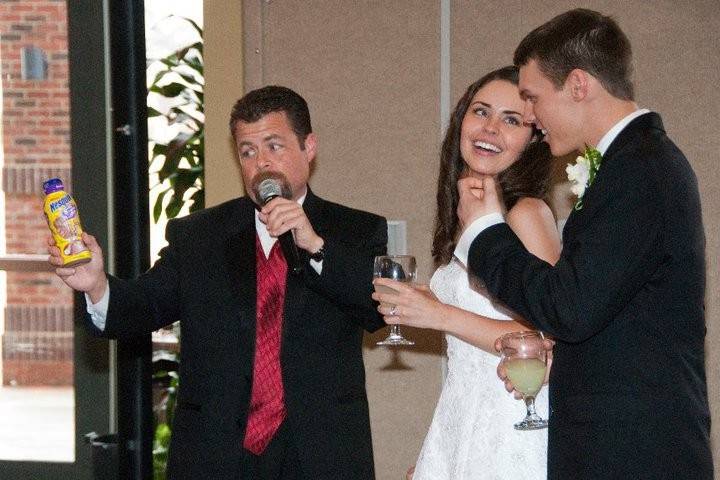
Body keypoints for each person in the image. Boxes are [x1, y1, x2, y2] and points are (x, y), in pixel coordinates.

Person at [49, 85, 388, 480]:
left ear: (308, 147)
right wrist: (96, 286)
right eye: (248, 152)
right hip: (217, 453)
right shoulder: (199, 236)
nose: (261, 162)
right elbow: (145, 304)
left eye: (274, 146)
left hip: (320, 453)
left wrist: (313, 245)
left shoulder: (356, 231)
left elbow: (377, 307)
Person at [454, 9, 712, 480]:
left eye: (532, 98)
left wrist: (483, 232)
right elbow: (597, 311)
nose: (531, 116)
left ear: (578, 85)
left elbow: (568, 307)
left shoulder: (642, 170)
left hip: (633, 455)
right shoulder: (631, 164)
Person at [373, 66, 561, 480]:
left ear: (533, 140)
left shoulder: (527, 213)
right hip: (461, 423)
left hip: (512, 427)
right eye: (481, 112)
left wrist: (437, 315)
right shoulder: (464, 217)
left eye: (512, 120)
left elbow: (547, 340)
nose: (490, 128)